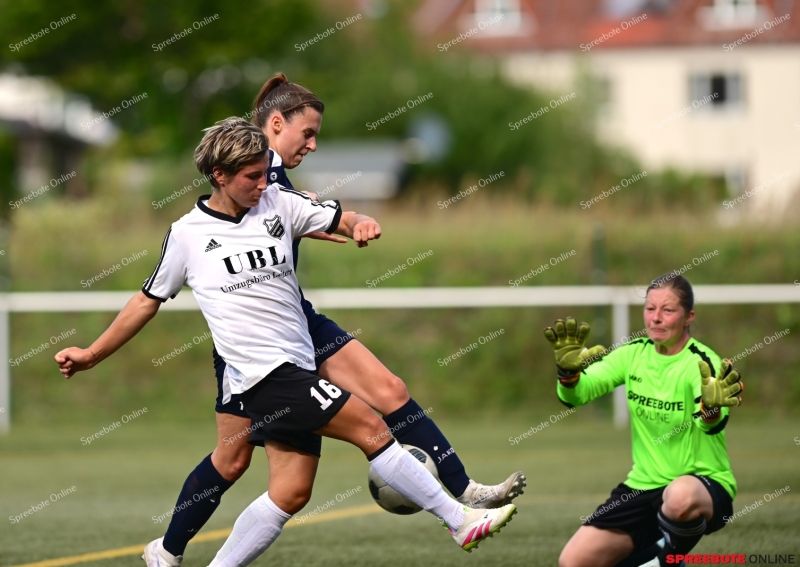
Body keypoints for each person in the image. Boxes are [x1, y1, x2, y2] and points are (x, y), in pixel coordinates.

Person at [55, 118, 517, 566]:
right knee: (371, 427)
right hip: (263, 377)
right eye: (252, 176)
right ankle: (459, 521)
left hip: (297, 366)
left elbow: (339, 216)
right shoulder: (187, 236)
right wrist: (92, 354)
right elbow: (145, 301)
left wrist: (359, 223)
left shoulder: (277, 203)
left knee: (292, 490)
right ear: (219, 175)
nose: (263, 184)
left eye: (264, 173)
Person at [543, 274, 743, 567]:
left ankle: (668, 560)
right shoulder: (632, 354)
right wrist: (568, 376)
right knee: (573, 561)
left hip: (704, 487)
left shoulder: (700, 361)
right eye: (650, 309)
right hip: (642, 486)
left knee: (678, 497)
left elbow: (712, 421)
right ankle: (652, 555)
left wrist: (711, 410)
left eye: (668, 310)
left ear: (689, 317)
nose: (656, 318)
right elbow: (578, 395)